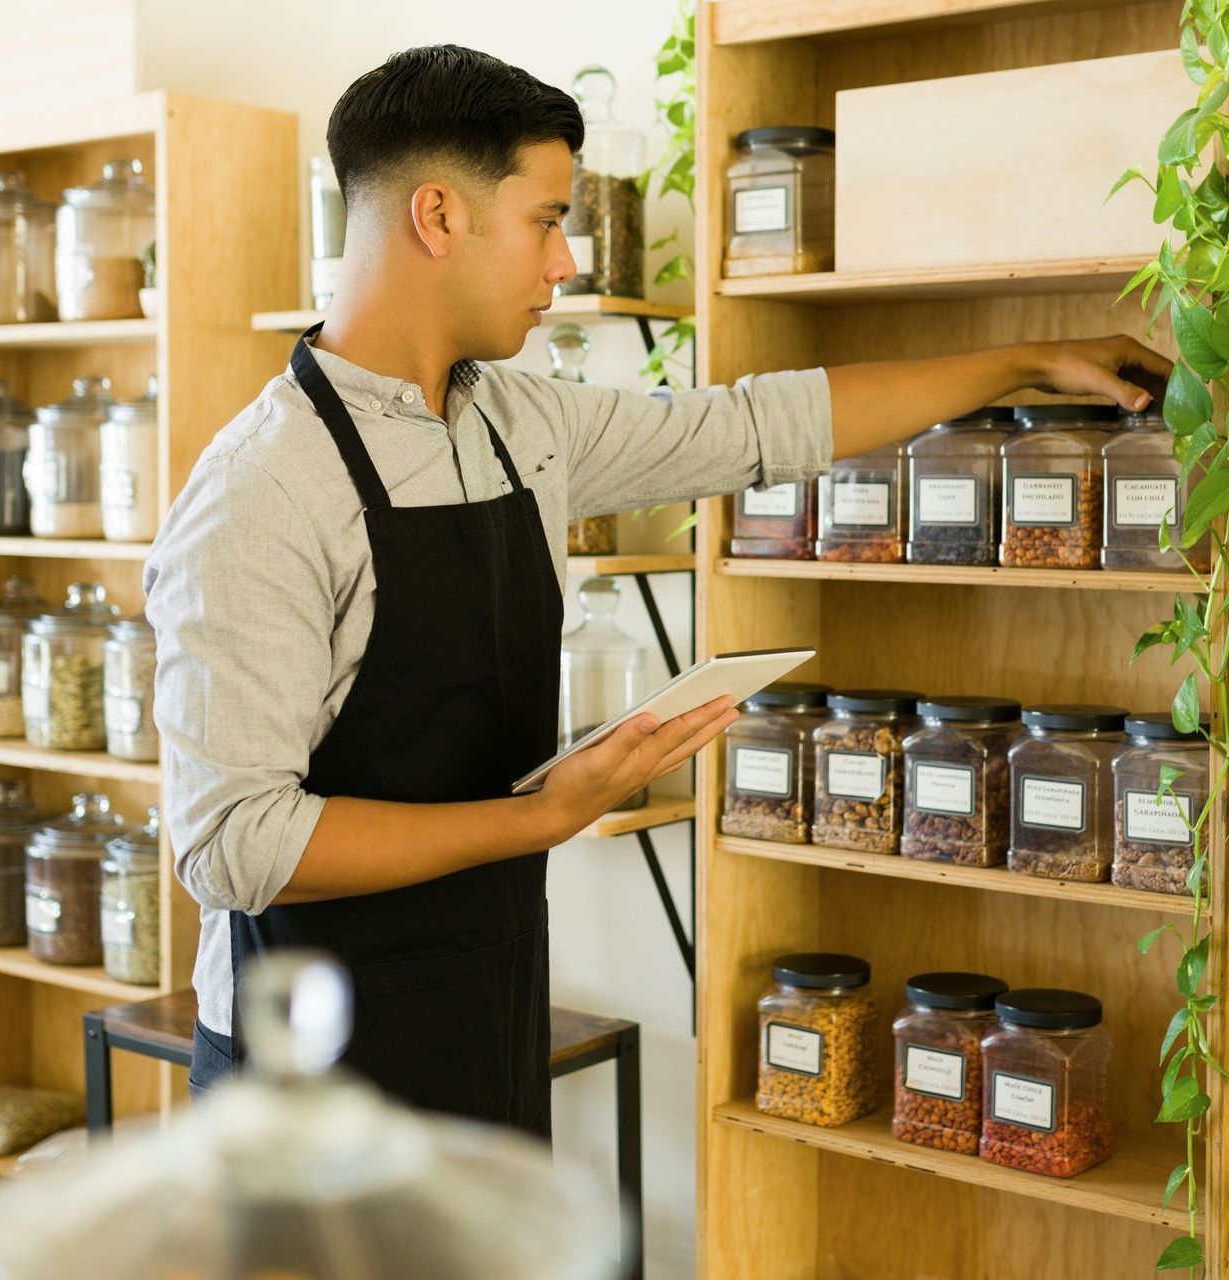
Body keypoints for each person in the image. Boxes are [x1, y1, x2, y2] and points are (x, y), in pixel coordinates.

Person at [145, 44, 1172, 1135]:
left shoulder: (515, 421)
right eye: (545, 219)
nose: (565, 261)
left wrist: (1026, 361)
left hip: (484, 1016)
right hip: (298, 1081)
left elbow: (749, 426)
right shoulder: (261, 489)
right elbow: (236, 846)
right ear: (438, 216)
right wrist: (542, 814)